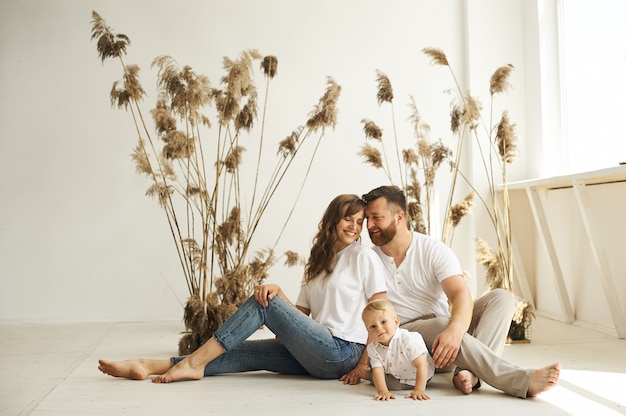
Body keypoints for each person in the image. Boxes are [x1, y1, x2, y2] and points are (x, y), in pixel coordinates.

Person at [98, 194, 387, 383]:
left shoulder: (364, 257)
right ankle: (149, 365)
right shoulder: (318, 258)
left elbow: (380, 313)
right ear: (333, 219)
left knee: (264, 304)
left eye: (359, 222)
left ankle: (193, 364)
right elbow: (300, 315)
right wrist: (276, 290)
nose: (354, 226)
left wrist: (363, 366)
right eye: (348, 218)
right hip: (316, 349)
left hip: (342, 351)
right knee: (240, 351)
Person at [342, 185, 560, 399]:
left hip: (445, 343)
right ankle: (521, 380)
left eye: (376, 217)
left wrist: (455, 330)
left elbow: (460, 294)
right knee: (440, 324)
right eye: (367, 219)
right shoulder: (369, 258)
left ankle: (470, 374)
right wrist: (363, 362)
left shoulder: (432, 250)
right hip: (403, 339)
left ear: (399, 217)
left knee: (501, 298)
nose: (369, 225)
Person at [362, 299, 434, 401]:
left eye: (383, 322)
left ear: (396, 322)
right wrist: (383, 391)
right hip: (395, 370)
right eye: (373, 326)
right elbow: (378, 371)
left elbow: (422, 365)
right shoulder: (373, 347)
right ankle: (370, 373)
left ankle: (368, 375)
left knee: (391, 384)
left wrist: (419, 390)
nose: (379, 328)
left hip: (419, 375)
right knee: (375, 368)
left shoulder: (408, 340)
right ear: (368, 331)